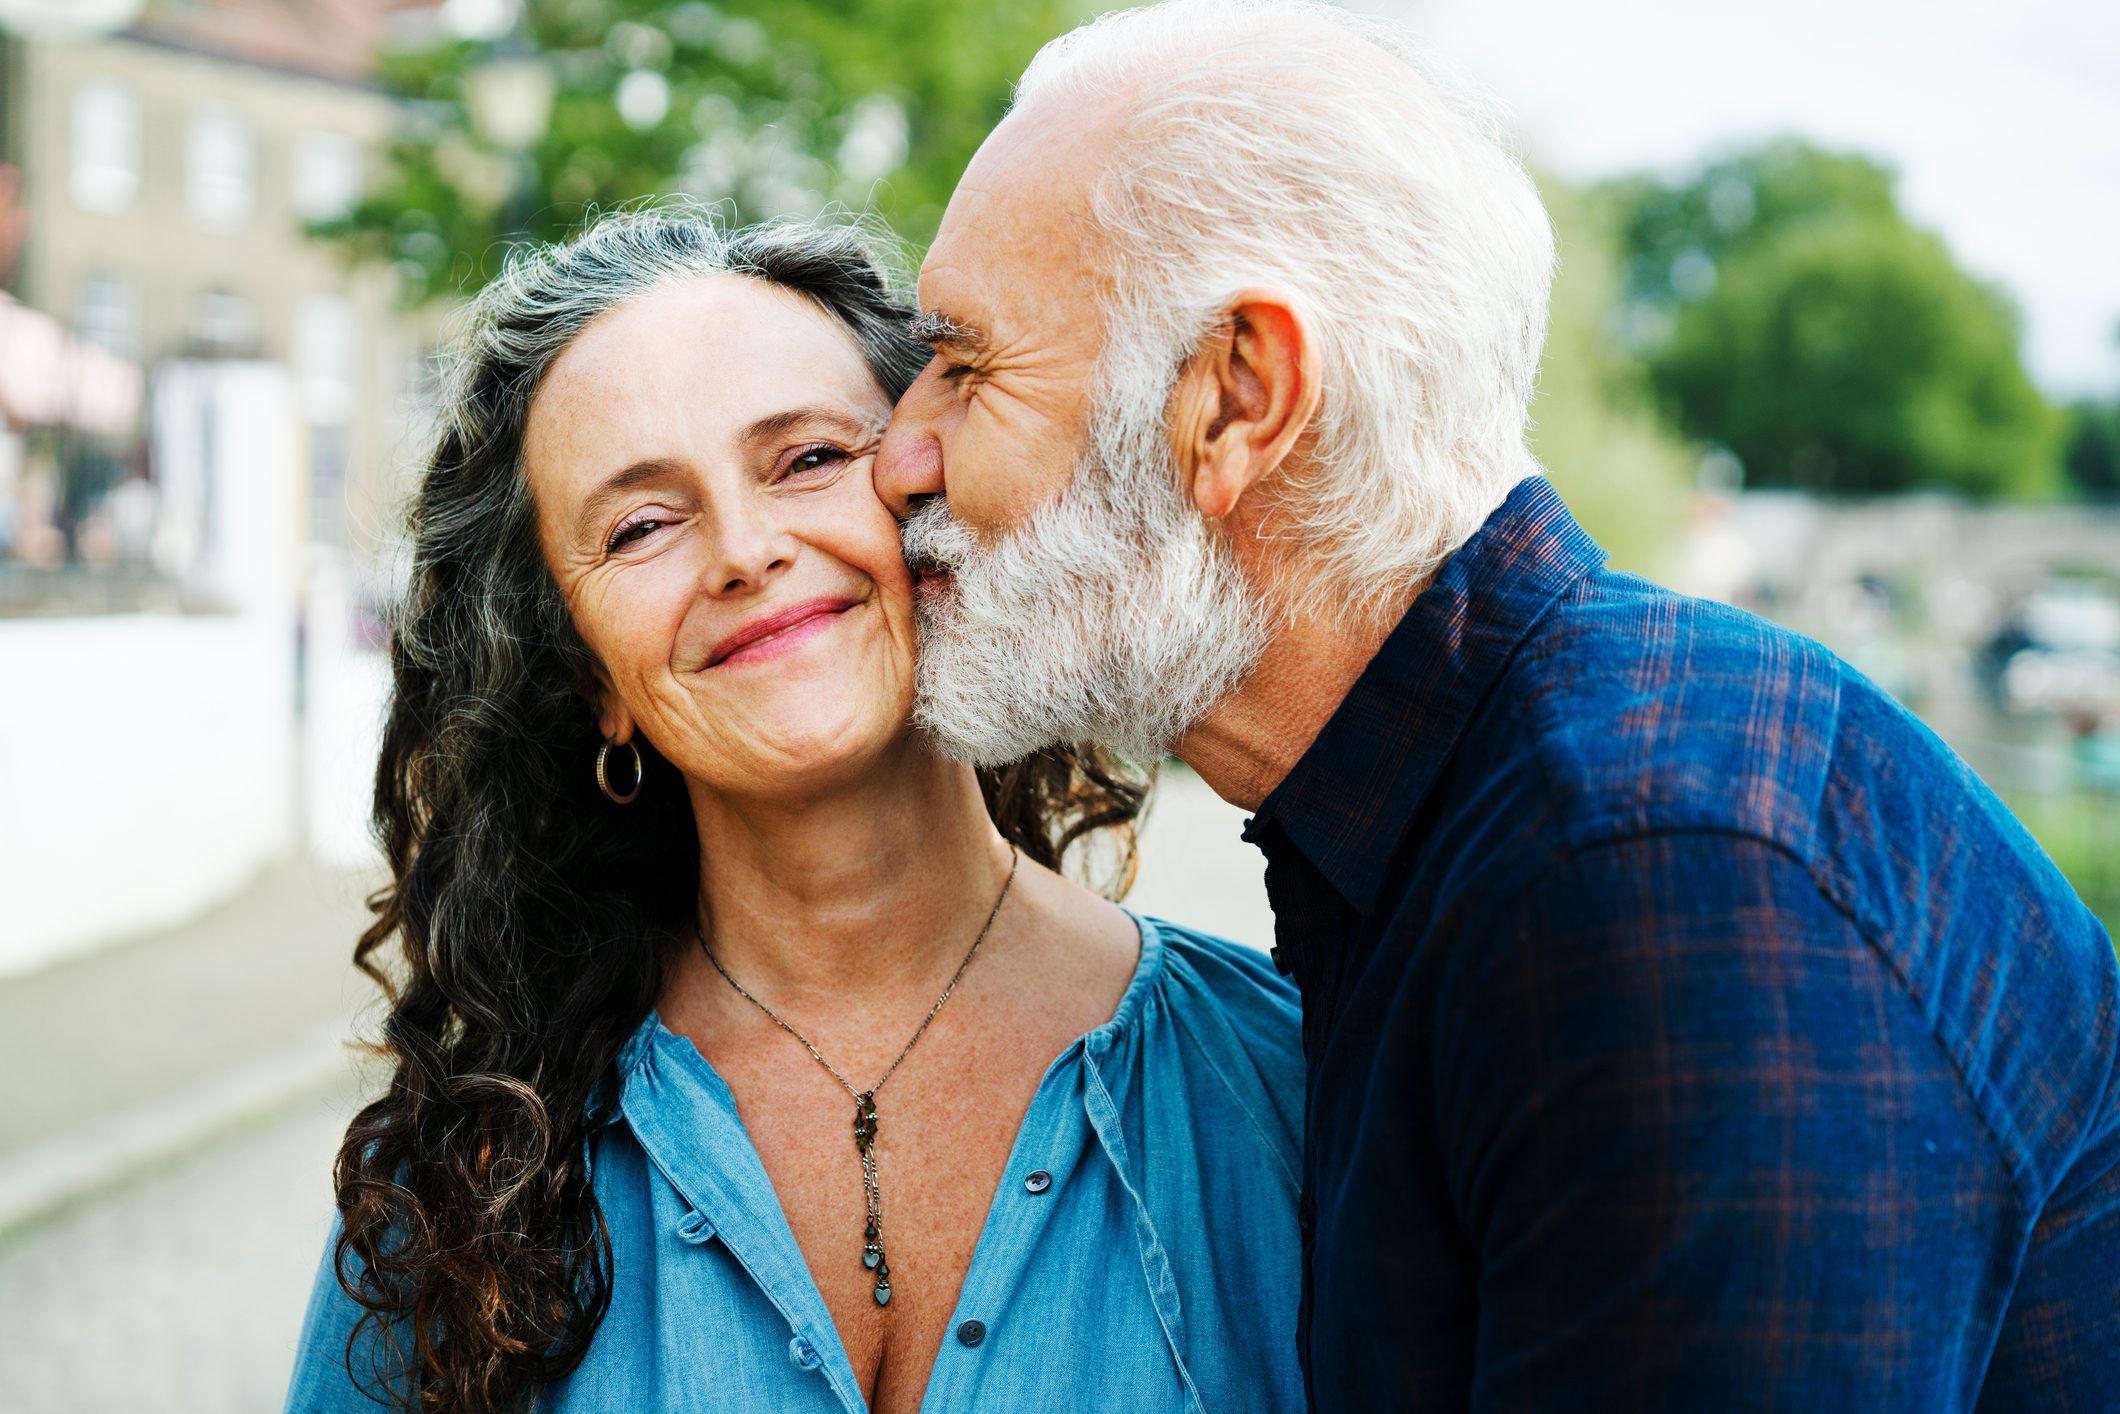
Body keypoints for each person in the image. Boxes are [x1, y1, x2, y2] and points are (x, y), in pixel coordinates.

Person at [873, 1, 2120, 1409]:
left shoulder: (1663, 883)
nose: (900, 452)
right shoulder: (1466, 829)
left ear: (1237, 395)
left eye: (969, 368)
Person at [282, 209, 1305, 1414]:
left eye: (809, 458)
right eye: (641, 525)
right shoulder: (466, 1184)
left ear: (933, 495)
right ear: (590, 680)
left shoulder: (1288, 1079)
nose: (744, 549)